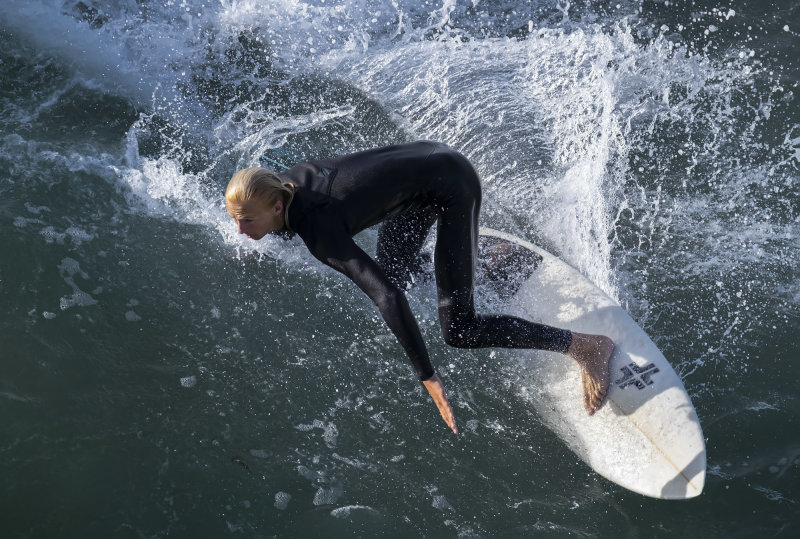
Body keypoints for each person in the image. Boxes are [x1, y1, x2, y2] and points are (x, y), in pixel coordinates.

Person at [225, 141, 614, 434]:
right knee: (401, 270)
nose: (239, 232)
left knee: (460, 329)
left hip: (451, 188)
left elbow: (385, 296)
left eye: (246, 222)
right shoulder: (285, 182)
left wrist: (427, 376)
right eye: (235, 221)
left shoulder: (321, 234)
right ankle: (490, 261)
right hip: (427, 165)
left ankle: (586, 346)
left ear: (277, 206)